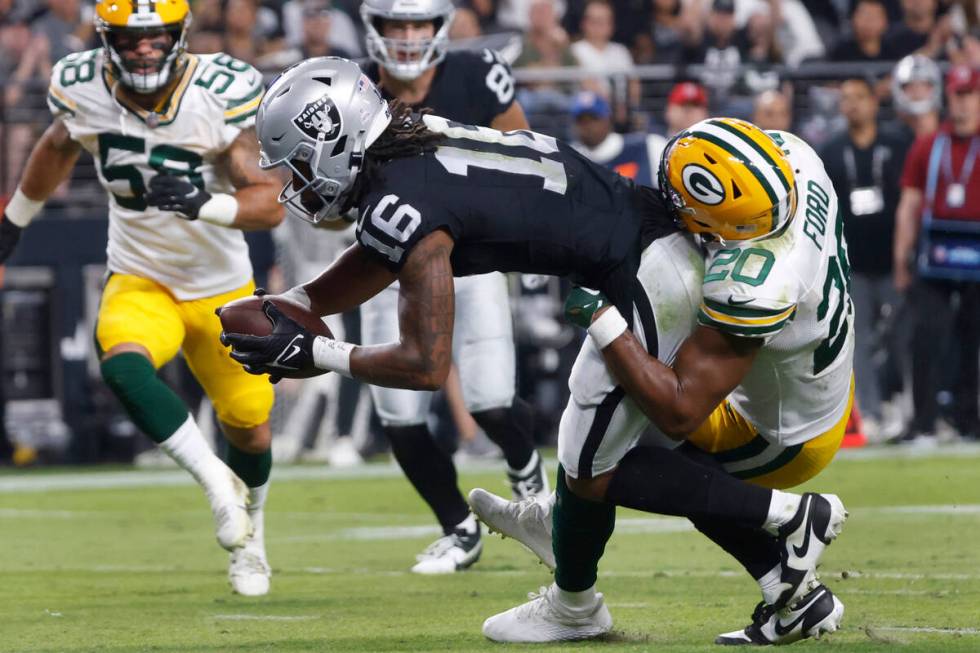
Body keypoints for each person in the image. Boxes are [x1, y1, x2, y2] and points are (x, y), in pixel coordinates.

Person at [221, 58, 849, 644]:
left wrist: (317, 352)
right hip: (635, 250)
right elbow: (388, 250)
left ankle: (771, 523)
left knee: (592, 466)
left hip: (645, 278)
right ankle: (788, 587)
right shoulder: (411, 137)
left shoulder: (399, 199)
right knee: (603, 452)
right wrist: (303, 299)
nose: (297, 183)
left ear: (337, 139)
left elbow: (425, 364)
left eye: (300, 163)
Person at [471, 120, 854, 644]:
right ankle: (794, 597)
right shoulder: (798, 157)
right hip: (815, 379)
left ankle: (789, 514)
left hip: (783, 434)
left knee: (606, 449)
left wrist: (604, 321)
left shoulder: (754, 283)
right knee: (612, 436)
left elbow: (680, 410)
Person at [0, 1, 284, 596]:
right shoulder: (82, 87)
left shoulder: (218, 92)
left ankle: (252, 533)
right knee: (123, 365)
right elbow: (58, 144)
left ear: (179, 35)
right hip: (141, 275)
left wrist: (203, 202)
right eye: (130, 39)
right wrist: (16, 218)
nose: (145, 49)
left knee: (251, 428)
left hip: (222, 289)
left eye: (156, 37)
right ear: (107, 40)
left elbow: (270, 199)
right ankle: (215, 485)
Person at [354, 0, 548, 575]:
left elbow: (525, 158)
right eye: (398, 25)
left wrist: (530, 238)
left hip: (471, 261)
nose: (409, 37)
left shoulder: (475, 75)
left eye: (419, 24)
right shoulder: (351, 90)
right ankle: (457, 528)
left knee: (490, 400)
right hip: (385, 267)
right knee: (400, 416)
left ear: (440, 29)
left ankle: (525, 467)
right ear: (376, 29)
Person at [894, 65, 980, 444]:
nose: (960, 105)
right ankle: (924, 421)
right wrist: (900, 259)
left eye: (968, 96)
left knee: (972, 340)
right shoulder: (929, 145)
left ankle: (969, 419)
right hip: (935, 258)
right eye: (956, 96)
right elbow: (909, 204)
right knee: (926, 337)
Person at [820, 76, 910, 441]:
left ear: (875, 101)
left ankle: (906, 407)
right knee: (858, 339)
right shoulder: (830, 150)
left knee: (902, 338)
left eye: (859, 96)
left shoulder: (897, 143)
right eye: (846, 97)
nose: (853, 104)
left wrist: (907, 256)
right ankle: (870, 413)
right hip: (853, 264)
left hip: (894, 261)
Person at [569, 90, 665, 187]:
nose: (587, 126)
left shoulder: (649, 145)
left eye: (593, 119)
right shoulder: (569, 159)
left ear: (608, 120)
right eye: (581, 121)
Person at [890, 54, 942, 140]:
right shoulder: (892, 137)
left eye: (923, 85)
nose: (917, 91)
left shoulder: (950, 134)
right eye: (910, 86)